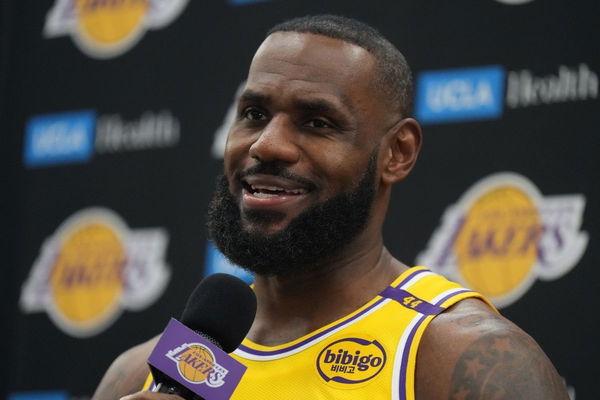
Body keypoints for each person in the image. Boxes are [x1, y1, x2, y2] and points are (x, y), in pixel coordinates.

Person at [92, 14, 569, 400]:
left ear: (397, 152)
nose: (268, 145)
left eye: (317, 122)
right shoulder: (143, 374)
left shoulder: (461, 357)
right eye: (254, 114)